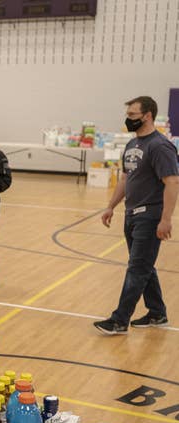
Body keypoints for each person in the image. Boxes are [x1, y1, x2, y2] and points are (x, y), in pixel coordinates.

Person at [94, 96, 179, 335]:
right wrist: (111, 206)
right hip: (131, 215)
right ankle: (157, 312)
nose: (128, 119)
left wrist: (165, 219)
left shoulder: (160, 146)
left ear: (148, 115)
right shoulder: (133, 145)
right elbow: (125, 178)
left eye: (133, 115)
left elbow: (172, 181)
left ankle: (119, 320)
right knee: (144, 266)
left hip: (150, 217)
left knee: (137, 268)